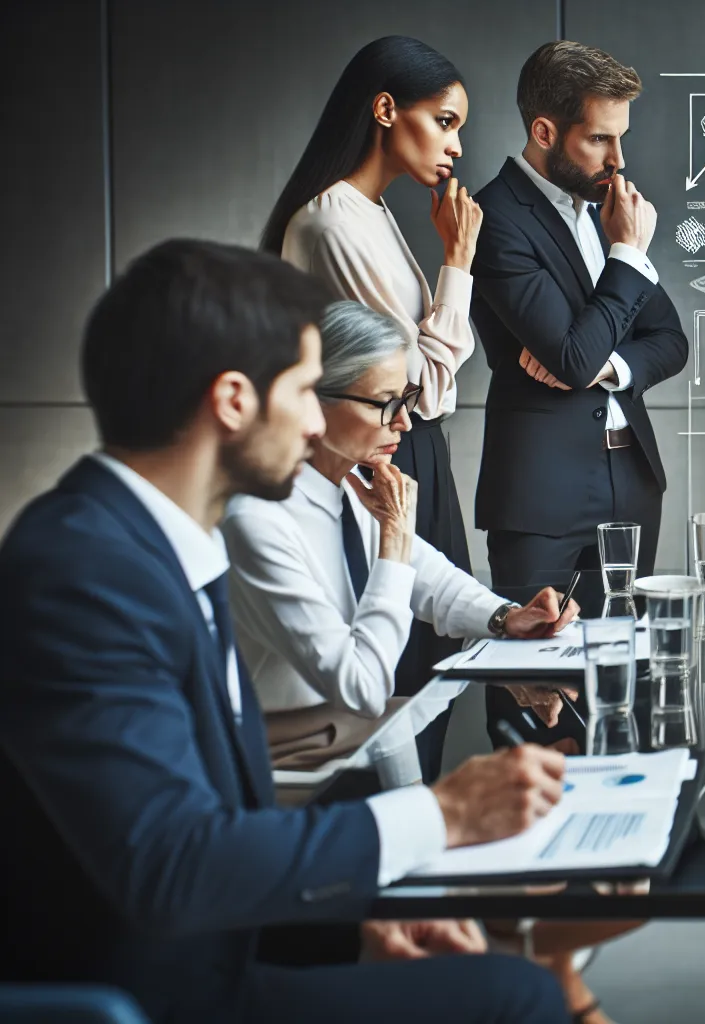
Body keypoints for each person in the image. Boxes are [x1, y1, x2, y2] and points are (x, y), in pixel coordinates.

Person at [0, 239, 568, 1024]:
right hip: (161, 990)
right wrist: (444, 815)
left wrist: (361, 916)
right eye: (306, 390)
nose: (314, 423)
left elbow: (213, 828)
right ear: (234, 401)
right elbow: (173, 867)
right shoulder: (81, 571)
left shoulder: (151, 545)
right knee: (519, 994)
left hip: (223, 942)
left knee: (508, 979)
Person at [221, 302, 581, 780]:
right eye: (385, 403)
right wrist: (394, 534)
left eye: (407, 399)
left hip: (359, 744)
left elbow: (425, 574)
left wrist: (507, 618)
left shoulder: (343, 486)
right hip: (291, 776)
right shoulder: (257, 519)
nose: (405, 423)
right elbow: (363, 686)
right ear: (313, 400)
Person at [262, 35, 484, 743]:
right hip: (387, 452)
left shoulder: (373, 212)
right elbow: (422, 386)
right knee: (406, 678)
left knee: (434, 664)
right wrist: (457, 265)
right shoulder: (330, 220)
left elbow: (425, 380)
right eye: (445, 121)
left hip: (411, 450)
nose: (456, 146)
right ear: (386, 109)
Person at [470, 40, 688, 744]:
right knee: (532, 695)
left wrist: (604, 367)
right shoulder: (495, 218)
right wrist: (626, 256)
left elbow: (669, 342)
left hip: (632, 479)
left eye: (619, 138)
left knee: (623, 686)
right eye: (599, 138)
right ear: (544, 132)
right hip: (541, 493)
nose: (617, 159)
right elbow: (568, 353)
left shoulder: (605, 205)